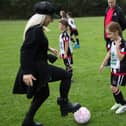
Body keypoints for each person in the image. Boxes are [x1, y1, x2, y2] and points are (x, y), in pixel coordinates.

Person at [12, 1, 81, 126]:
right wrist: (26, 73)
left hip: (39, 66)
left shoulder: (36, 30)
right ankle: (64, 103)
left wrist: (49, 50)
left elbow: (36, 47)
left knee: (43, 94)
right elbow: (25, 51)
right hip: (36, 69)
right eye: (50, 17)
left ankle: (28, 121)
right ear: (43, 17)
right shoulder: (35, 31)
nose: (52, 20)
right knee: (66, 75)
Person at [99, 22, 126, 114]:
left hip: (120, 69)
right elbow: (109, 53)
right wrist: (103, 63)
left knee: (114, 87)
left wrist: (118, 47)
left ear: (116, 32)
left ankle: (124, 104)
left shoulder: (123, 43)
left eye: (109, 33)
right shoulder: (112, 42)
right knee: (112, 87)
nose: (108, 35)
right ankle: (118, 102)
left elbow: (121, 58)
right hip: (113, 68)